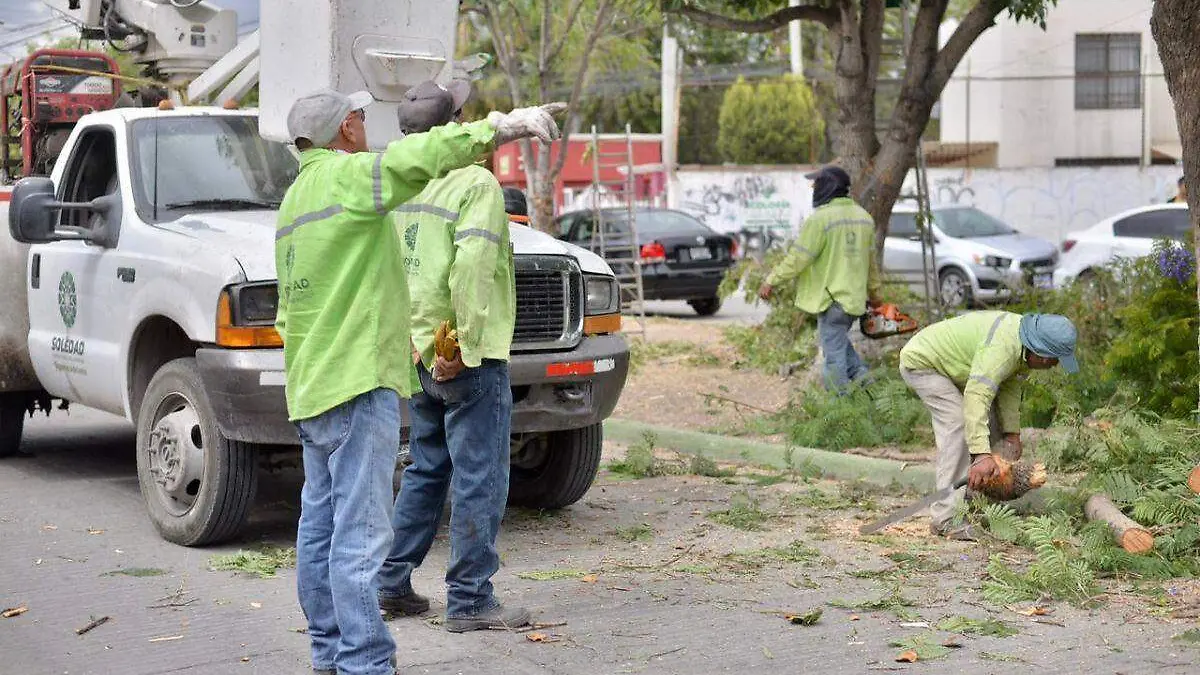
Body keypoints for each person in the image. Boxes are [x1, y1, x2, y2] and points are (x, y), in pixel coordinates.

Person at [276, 87, 564, 675]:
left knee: (323, 526)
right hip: (365, 381)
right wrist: (502, 126)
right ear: (342, 131)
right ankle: (368, 661)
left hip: (316, 384)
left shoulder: (293, 202)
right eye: (357, 117)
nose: (363, 125)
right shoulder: (350, 179)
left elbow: (288, 312)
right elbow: (427, 169)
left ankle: (330, 654)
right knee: (364, 530)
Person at [377, 80, 526, 633]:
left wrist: (427, 348)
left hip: (417, 349)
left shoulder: (400, 186)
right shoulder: (475, 184)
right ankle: (469, 599)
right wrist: (460, 346)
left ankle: (390, 581)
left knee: (426, 466)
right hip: (465, 354)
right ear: (458, 124)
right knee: (480, 475)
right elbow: (471, 268)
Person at [898, 311, 1079, 540]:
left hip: (957, 367)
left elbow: (1010, 389)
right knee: (959, 423)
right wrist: (982, 455)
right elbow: (976, 395)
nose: (1055, 366)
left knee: (991, 424)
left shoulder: (1023, 347)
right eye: (1055, 360)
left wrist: (1011, 434)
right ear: (1042, 354)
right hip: (923, 363)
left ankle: (975, 505)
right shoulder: (1002, 351)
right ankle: (946, 519)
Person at [758, 165, 883, 392]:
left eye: (816, 184)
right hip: (854, 303)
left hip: (832, 301)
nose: (814, 188)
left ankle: (841, 413)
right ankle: (876, 394)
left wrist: (771, 280)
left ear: (827, 187)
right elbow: (871, 263)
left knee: (834, 360)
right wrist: (876, 295)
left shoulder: (821, 220)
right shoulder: (864, 218)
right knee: (844, 352)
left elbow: (798, 259)